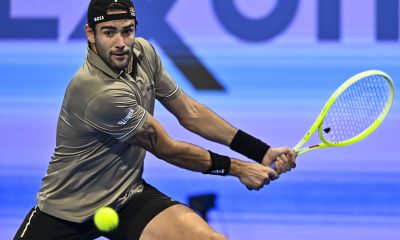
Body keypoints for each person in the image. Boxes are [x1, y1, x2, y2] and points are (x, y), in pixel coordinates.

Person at [14, 0, 296, 239]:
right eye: (109, 32)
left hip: (126, 196)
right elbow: (168, 149)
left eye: (128, 31)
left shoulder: (143, 53)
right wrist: (238, 169)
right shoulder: (97, 92)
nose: (121, 43)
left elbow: (190, 112)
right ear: (90, 34)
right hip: (65, 211)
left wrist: (260, 151)